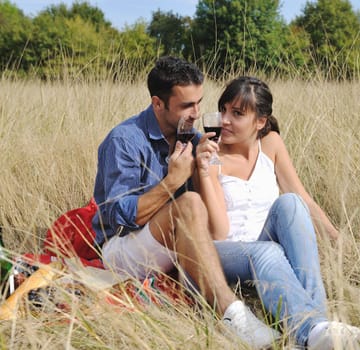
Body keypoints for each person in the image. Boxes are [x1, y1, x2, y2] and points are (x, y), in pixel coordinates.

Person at [91, 57, 280, 349]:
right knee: (189, 202)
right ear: (158, 104)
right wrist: (172, 181)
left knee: (200, 205)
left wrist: (206, 168)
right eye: (186, 106)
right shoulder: (125, 140)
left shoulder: (192, 138)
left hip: (170, 245)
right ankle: (233, 314)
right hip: (121, 249)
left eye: (199, 102)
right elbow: (117, 216)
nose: (196, 113)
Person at [195, 76, 360, 349]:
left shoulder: (272, 144)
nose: (225, 119)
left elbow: (303, 199)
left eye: (237, 113)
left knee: (290, 202)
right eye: (224, 110)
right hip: (225, 251)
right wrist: (204, 172)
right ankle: (316, 331)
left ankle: (319, 328)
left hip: (264, 245)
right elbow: (218, 231)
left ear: (260, 121)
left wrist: (338, 240)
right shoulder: (213, 155)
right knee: (269, 251)